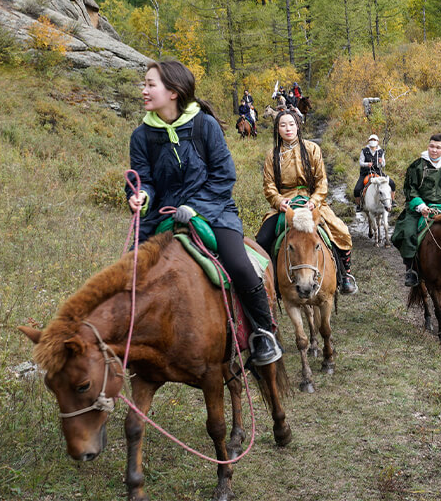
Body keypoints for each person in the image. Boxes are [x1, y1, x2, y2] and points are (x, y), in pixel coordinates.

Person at [126, 60, 281, 366]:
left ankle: (264, 332)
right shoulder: (141, 136)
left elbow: (224, 175)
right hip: (161, 216)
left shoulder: (204, 125)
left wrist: (195, 207)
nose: (144, 90)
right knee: (126, 274)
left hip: (215, 211)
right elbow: (143, 179)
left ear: (173, 92)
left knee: (239, 265)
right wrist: (141, 196)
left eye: (150, 84)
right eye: (144, 84)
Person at [255, 109, 358, 295]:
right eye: (283, 125)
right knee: (262, 239)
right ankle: (268, 281)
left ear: (298, 126)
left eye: (291, 124)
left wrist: (314, 201)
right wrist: (278, 201)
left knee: (341, 231)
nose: (288, 128)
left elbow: (322, 182)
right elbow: (268, 185)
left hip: (310, 201)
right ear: (277, 129)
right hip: (285, 205)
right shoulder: (273, 155)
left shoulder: (312, 149)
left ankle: (345, 275)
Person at [391, 133, 441, 287]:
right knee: (407, 232)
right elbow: (410, 189)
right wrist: (421, 206)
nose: (434, 150)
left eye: (438, 147)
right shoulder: (416, 166)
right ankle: (411, 269)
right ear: (428, 147)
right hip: (420, 207)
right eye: (432, 146)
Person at [353, 134, 396, 212]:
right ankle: (359, 205)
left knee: (392, 184)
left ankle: (392, 201)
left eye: (374, 140)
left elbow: (383, 164)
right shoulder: (364, 151)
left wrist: (381, 162)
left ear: (378, 142)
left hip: (378, 172)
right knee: (357, 189)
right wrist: (367, 164)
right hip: (365, 173)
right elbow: (361, 163)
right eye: (371, 140)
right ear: (368, 141)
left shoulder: (381, 151)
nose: (373, 141)